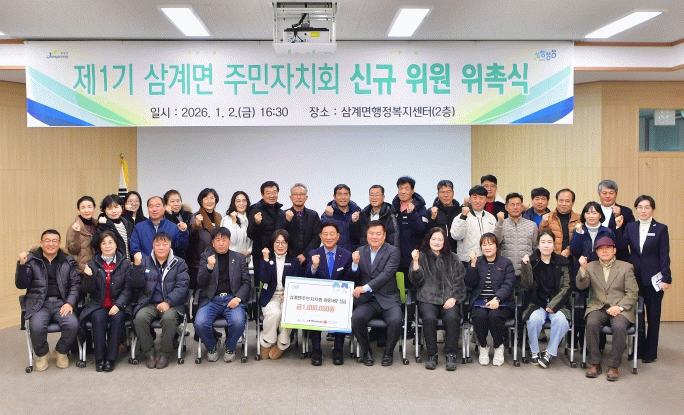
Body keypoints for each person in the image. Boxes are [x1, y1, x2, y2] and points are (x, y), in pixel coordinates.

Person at [15, 230, 80, 371]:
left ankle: (61, 351)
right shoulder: (31, 260)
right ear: (41, 243)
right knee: (37, 327)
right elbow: (21, 284)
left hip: (61, 303)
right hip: (39, 304)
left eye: (54, 241)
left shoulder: (68, 261)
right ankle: (42, 354)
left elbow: (75, 285)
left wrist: (69, 302)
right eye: (47, 240)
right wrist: (22, 265)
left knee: (73, 325)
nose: (51, 244)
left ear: (59, 243)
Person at [577, 236, 638, 381]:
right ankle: (595, 363)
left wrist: (620, 307)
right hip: (598, 306)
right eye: (600, 249)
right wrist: (582, 269)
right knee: (591, 323)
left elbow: (633, 293)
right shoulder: (590, 266)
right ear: (596, 252)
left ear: (614, 250)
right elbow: (581, 286)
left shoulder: (626, 267)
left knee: (619, 327)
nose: (604, 251)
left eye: (608, 248)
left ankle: (613, 366)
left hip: (620, 308)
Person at [408, 227, 466, 371]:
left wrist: (454, 298)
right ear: (428, 240)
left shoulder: (453, 258)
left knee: (452, 317)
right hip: (428, 298)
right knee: (429, 318)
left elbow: (460, 281)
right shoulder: (421, 256)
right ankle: (432, 355)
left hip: (449, 298)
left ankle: (451, 354)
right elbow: (416, 282)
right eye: (433, 239)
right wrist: (415, 263)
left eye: (440, 239)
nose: (436, 242)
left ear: (444, 241)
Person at [622, 195, 671, 363]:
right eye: (640, 207)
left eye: (647, 207)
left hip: (654, 278)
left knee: (653, 316)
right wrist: (618, 226)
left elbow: (664, 255)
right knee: (637, 316)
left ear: (653, 209)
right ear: (636, 209)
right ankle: (638, 349)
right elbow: (621, 246)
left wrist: (666, 277)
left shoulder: (661, 228)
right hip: (634, 277)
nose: (643, 211)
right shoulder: (630, 227)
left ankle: (651, 352)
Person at [131, 232, 190, 369]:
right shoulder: (144, 261)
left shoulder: (179, 263)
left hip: (171, 304)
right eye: (158, 244)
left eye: (165, 244)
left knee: (169, 319)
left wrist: (168, 302)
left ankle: (165, 353)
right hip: (149, 303)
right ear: (153, 245)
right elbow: (135, 285)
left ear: (170, 245)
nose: (161, 247)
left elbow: (182, 287)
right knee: (139, 318)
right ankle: (149, 353)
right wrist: (137, 267)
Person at [194, 227, 250, 363]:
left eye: (224, 240)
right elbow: (200, 282)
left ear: (229, 241)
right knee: (200, 323)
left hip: (232, 299)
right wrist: (209, 267)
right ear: (212, 242)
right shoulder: (206, 257)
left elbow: (246, 283)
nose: (221, 243)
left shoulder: (239, 258)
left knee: (238, 322)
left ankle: (230, 347)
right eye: (217, 240)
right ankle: (212, 346)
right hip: (211, 300)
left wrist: (238, 298)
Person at [350, 221, 401, 366]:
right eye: (371, 233)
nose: (374, 237)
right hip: (368, 300)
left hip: (388, 298)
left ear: (384, 235)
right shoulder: (360, 251)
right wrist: (354, 264)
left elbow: (386, 275)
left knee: (396, 321)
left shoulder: (393, 251)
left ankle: (389, 353)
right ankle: (366, 352)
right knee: (356, 319)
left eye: (378, 234)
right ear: (366, 235)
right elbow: (355, 277)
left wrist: (365, 288)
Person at [79, 230, 131, 372]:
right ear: (99, 246)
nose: (107, 246)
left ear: (116, 245)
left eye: (110, 242)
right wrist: (88, 276)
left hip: (118, 304)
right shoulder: (93, 263)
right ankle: (99, 359)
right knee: (98, 319)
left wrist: (118, 305)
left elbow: (128, 289)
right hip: (98, 304)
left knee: (117, 319)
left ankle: (111, 359)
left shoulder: (125, 263)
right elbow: (86, 290)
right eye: (104, 243)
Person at [305, 223, 354, 366]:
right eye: (325, 234)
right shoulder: (313, 254)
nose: (328, 237)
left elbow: (350, 278)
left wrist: (355, 265)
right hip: (318, 299)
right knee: (312, 309)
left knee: (342, 309)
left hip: (338, 298)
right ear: (320, 236)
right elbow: (306, 278)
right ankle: (316, 349)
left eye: (332, 234)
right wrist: (314, 266)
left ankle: (338, 349)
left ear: (338, 236)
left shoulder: (346, 255)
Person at [520, 230, 571, 368]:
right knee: (534, 320)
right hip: (537, 303)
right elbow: (527, 285)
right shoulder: (531, 261)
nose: (546, 245)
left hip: (558, 304)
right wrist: (526, 267)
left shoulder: (563, 262)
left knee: (562, 321)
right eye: (543, 242)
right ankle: (534, 351)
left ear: (554, 244)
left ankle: (549, 352)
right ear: (538, 244)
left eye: (549, 242)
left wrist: (553, 305)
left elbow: (567, 287)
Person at [465, 233, 515, 366]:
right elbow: (470, 283)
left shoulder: (506, 263)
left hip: (502, 302)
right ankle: (483, 346)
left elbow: (508, 285)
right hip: (479, 301)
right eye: (484, 245)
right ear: (481, 247)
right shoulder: (477, 261)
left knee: (495, 316)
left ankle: (498, 346)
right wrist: (473, 265)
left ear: (497, 246)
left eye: (491, 244)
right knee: (479, 316)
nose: (487, 247)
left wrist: (497, 298)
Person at [257, 230, 302, 359]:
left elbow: (297, 283)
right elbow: (264, 279)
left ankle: (282, 344)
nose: (280, 245)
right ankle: (267, 341)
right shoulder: (267, 260)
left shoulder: (294, 261)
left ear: (288, 244)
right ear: (272, 244)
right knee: (275, 313)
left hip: (288, 298)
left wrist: (289, 295)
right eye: (277, 242)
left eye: (284, 242)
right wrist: (266, 259)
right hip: (270, 298)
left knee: (286, 315)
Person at [392, 176, 429, 278]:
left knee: (414, 284)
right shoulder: (393, 209)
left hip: (413, 259)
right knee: (399, 286)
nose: (403, 191)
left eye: (406, 188)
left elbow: (422, 230)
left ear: (412, 191)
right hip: (396, 259)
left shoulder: (420, 209)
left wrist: (412, 214)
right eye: (400, 188)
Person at [248, 181, 286, 281]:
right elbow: (250, 234)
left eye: (274, 192)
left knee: (278, 283)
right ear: (262, 195)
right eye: (268, 193)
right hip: (260, 256)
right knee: (261, 285)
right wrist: (256, 223)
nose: (272, 196)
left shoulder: (281, 212)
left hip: (278, 255)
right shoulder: (255, 210)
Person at [450, 185, 497, 267]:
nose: (478, 201)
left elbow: (495, 240)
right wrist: (463, 217)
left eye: (481, 198)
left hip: (487, 261)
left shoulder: (491, 218)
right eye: (475, 198)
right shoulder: (460, 217)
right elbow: (456, 236)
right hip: (466, 262)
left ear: (486, 199)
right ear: (470, 199)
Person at [493, 192, 538, 277]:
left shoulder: (532, 225)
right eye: (512, 204)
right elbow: (495, 243)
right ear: (506, 207)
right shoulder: (500, 224)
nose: (515, 207)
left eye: (518, 204)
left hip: (526, 272)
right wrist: (500, 223)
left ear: (522, 207)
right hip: (505, 272)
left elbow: (535, 248)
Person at [188, 188, 222, 287]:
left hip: (216, 260)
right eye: (206, 198)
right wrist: (196, 225)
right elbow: (191, 238)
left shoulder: (219, 217)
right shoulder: (196, 217)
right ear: (201, 201)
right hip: (198, 262)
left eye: (212, 198)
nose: (209, 201)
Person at [281, 183, 321, 266]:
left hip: (309, 259)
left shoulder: (313, 215)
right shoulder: (283, 214)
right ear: (291, 197)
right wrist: (287, 220)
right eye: (295, 194)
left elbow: (317, 238)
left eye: (302, 194)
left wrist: (304, 254)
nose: (298, 197)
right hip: (288, 259)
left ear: (306, 197)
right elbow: (279, 235)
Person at [597, 180, 635, 261]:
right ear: (599, 194)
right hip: (597, 257)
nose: (608, 196)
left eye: (611, 193)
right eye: (604, 193)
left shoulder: (626, 211)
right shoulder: (593, 211)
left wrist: (620, 215)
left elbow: (631, 234)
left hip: (619, 257)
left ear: (616, 194)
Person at [91, 194, 134, 261]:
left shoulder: (127, 223)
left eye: (116, 207)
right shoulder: (103, 224)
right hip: (111, 264)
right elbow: (95, 244)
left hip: (127, 263)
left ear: (121, 207)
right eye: (109, 208)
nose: (114, 211)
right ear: (105, 211)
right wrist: (102, 227)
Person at [540, 188, 580, 258]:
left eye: (567, 201)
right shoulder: (548, 217)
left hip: (573, 257)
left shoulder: (579, 219)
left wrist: (569, 250)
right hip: (553, 258)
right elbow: (541, 238)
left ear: (573, 203)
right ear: (557, 201)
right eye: (561, 200)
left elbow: (581, 240)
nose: (563, 204)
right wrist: (543, 224)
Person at [321, 184, 362, 252]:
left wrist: (356, 221)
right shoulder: (328, 214)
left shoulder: (358, 212)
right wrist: (329, 217)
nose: (343, 197)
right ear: (334, 196)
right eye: (339, 194)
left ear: (350, 196)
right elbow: (324, 235)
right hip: (337, 254)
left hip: (355, 254)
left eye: (346, 194)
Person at [427, 180, 461, 254]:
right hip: (438, 253)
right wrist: (432, 218)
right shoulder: (431, 211)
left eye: (448, 192)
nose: (445, 195)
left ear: (453, 193)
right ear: (438, 194)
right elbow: (427, 235)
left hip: (457, 254)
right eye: (442, 192)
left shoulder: (460, 211)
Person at [221, 191, 253, 268]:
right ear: (234, 203)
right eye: (238, 201)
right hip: (231, 261)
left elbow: (252, 239)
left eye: (244, 201)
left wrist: (249, 251)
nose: (241, 203)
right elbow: (233, 240)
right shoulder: (227, 219)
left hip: (245, 260)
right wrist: (234, 222)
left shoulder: (249, 219)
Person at [66, 195, 97, 272]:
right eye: (83, 208)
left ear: (94, 208)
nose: (86, 210)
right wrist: (76, 233)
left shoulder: (98, 224)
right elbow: (72, 251)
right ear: (78, 210)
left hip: (98, 268)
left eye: (89, 207)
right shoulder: (73, 227)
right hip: (82, 270)